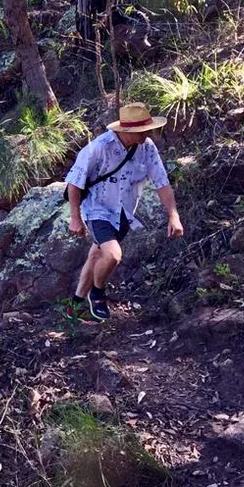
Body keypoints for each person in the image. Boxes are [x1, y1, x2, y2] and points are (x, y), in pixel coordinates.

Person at [61, 102, 184, 322]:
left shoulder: (147, 148)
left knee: (97, 255)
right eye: (142, 130)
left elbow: (162, 182)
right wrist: (75, 218)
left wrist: (173, 216)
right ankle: (97, 293)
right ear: (127, 130)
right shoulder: (99, 148)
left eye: (148, 129)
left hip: (125, 212)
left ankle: (74, 307)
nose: (147, 134)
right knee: (112, 255)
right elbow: (74, 183)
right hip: (97, 209)